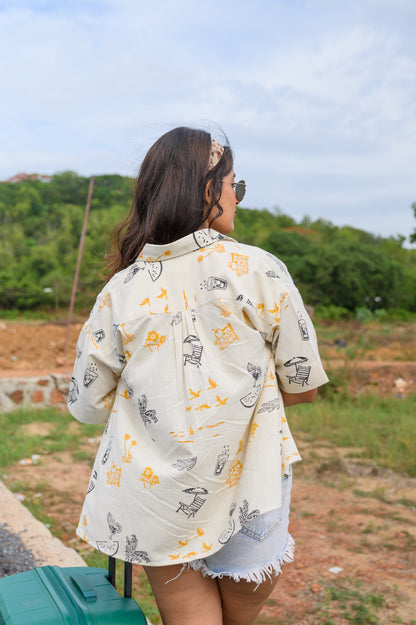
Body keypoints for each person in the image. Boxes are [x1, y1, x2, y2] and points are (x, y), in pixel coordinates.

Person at [67, 126, 328, 625]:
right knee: (242, 605)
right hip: (247, 478)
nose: (238, 197)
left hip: (153, 495)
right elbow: (305, 386)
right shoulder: (259, 270)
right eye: (236, 185)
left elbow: (85, 403)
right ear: (208, 189)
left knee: (187, 614)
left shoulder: (119, 291)